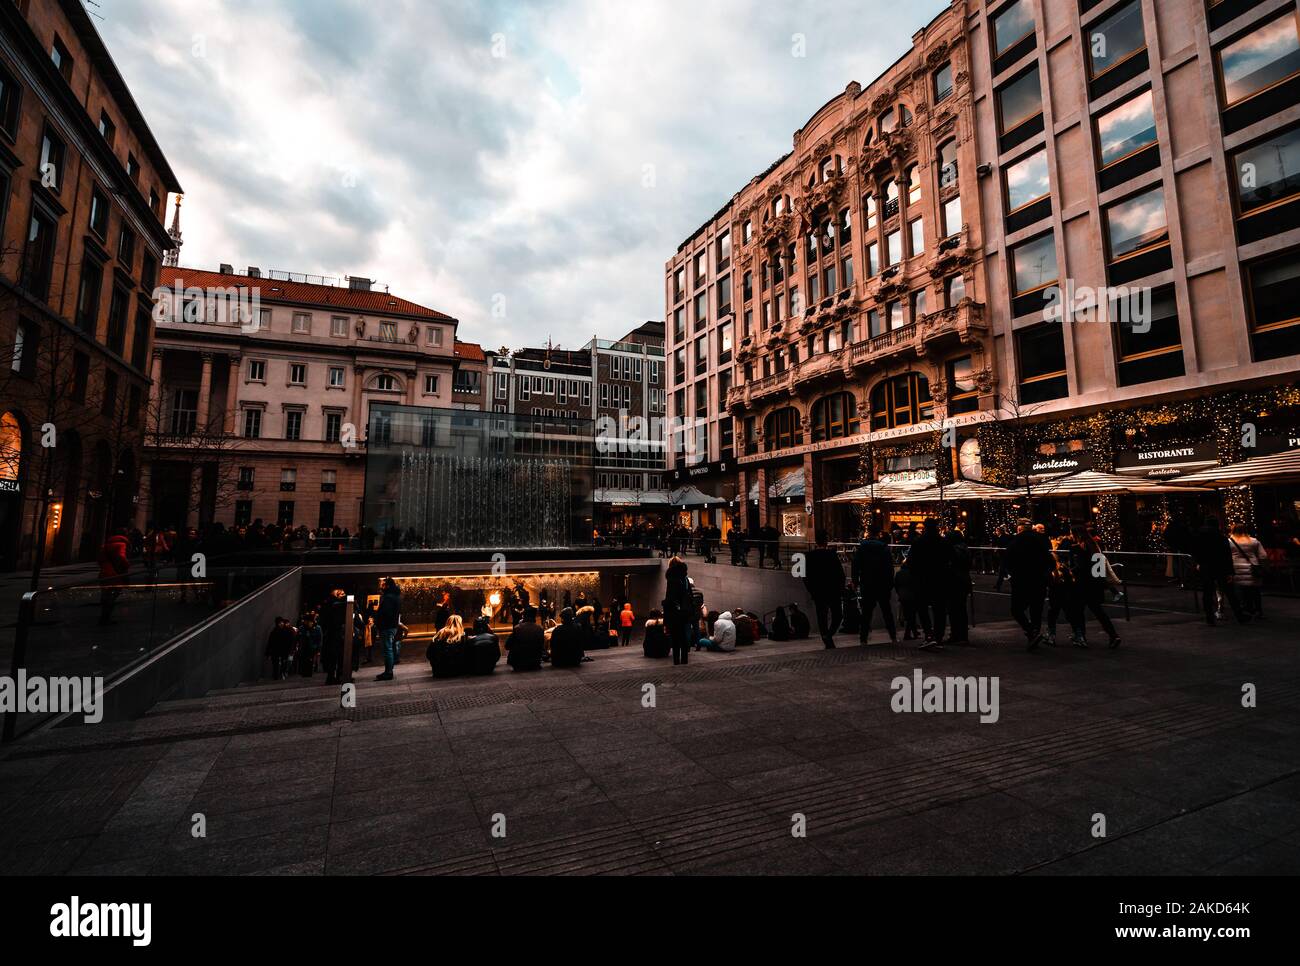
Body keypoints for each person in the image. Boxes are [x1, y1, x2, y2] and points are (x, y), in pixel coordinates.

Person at [1000, 518, 1056, 650]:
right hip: (1039, 579)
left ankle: (1031, 631)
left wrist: (1011, 573)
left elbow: (1007, 561)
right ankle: (1034, 632)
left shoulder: (1015, 542)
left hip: (1021, 580)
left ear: (1019, 528)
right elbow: (1050, 561)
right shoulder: (1041, 540)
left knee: (1016, 609)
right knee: (1036, 609)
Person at [1067, 526, 1121, 649]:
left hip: (1082, 584)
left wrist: (1070, 571)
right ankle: (1113, 635)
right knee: (1098, 611)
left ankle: (1081, 636)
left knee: (1078, 610)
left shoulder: (1077, 548)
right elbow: (1100, 568)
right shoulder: (1096, 547)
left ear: (1077, 535)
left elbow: (1078, 567)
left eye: (1071, 534)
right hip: (1095, 583)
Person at [1189, 516, 1248, 625]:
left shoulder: (1198, 536)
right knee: (1230, 593)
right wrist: (1230, 571)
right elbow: (1226, 555)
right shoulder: (1221, 537)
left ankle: (1209, 618)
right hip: (1221, 567)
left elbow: (1195, 551)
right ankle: (1240, 616)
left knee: (1207, 593)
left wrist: (1198, 563)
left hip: (1206, 566)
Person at [906, 519, 950, 650]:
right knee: (939, 610)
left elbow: (911, 562)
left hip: (922, 579)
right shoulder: (943, 542)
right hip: (939, 579)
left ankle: (929, 634)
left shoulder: (918, 542)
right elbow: (950, 558)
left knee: (922, 608)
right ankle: (938, 637)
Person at [853, 527, 897, 645]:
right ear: (878, 535)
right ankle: (893, 636)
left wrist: (855, 581)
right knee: (887, 612)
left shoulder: (862, 547)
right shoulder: (884, 548)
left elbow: (855, 565)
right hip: (882, 583)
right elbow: (889, 568)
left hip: (867, 583)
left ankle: (863, 638)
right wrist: (889, 583)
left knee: (866, 613)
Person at [803, 529, 845, 648]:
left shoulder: (809, 556)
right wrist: (840, 588)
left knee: (822, 617)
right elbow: (840, 574)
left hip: (818, 591)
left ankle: (826, 638)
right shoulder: (832, 555)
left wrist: (811, 590)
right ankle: (829, 635)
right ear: (826, 542)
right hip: (833, 590)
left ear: (816, 542)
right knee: (838, 615)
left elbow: (805, 576)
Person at [1228, 523, 1267, 619]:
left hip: (1236, 568)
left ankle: (1247, 610)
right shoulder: (1254, 541)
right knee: (1255, 591)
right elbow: (1263, 555)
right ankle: (1258, 610)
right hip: (1253, 568)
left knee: (1241, 591)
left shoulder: (1229, 541)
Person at [663, 556, 694, 666]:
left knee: (675, 638)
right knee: (684, 636)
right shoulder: (685, 579)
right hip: (685, 612)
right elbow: (690, 596)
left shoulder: (672, 578)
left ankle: (677, 661)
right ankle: (684, 660)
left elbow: (670, 598)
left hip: (675, 613)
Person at [96, 528, 131, 625]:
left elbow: (99, 559)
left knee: (105, 595)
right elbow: (121, 557)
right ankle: (106, 617)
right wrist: (127, 565)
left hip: (104, 573)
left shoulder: (105, 545)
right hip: (114, 574)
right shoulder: (122, 545)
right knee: (113, 595)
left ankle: (103, 617)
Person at [945, 528, 972, 646]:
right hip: (964, 580)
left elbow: (949, 564)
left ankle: (956, 634)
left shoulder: (953, 549)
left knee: (953, 609)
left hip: (954, 581)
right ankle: (963, 635)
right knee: (961, 609)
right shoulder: (965, 548)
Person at [374, 577, 402, 681]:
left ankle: (388, 672)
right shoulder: (395, 596)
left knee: (388, 649)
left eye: (383, 584)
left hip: (387, 626)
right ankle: (388, 671)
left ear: (388, 585)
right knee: (389, 648)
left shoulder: (389, 597)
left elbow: (386, 613)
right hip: (392, 625)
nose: (381, 586)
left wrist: (379, 622)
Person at [506, 606, 545, 671]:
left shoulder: (517, 628)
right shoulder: (540, 628)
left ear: (523, 616)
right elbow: (541, 646)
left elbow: (507, 646)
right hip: (535, 663)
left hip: (519, 664)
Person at [321, 589, 347, 684]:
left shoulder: (330, 603)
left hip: (332, 633)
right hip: (334, 633)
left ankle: (333, 676)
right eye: (342, 594)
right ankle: (332, 677)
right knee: (334, 656)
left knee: (334, 656)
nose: (344, 595)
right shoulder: (334, 604)